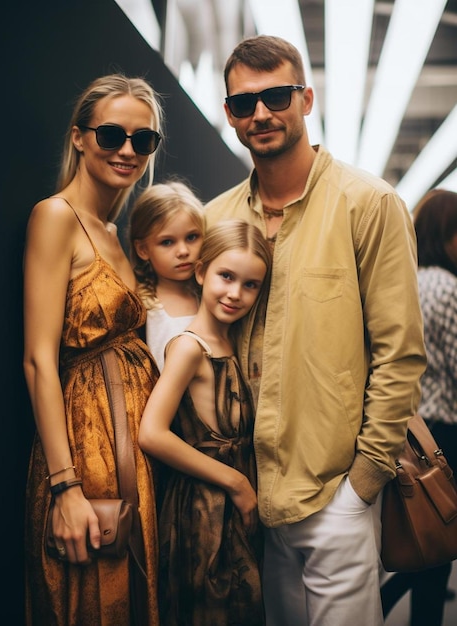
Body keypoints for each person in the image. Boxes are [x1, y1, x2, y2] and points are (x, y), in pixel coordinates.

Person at [204, 35, 427, 626]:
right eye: (244, 103)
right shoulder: (215, 219)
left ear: (305, 99)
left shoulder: (368, 203)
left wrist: (362, 486)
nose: (261, 114)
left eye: (276, 96)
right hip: (247, 494)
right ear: (229, 115)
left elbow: (400, 354)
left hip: (334, 491)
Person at [23, 73, 163, 626]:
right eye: (111, 135)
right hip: (84, 452)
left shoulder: (114, 229)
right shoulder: (56, 216)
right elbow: (39, 359)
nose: (127, 150)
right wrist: (65, 487)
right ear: (79, 138)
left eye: (142, 140)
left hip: (137, 454)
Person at [138, 219, 272, 626]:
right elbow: (152, 433)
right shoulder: (188, 347)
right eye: (226, 276)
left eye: (250, 285)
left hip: (231, 511)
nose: (235, 293)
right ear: (201, 272)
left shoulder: (231, 343)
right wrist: (236, 482)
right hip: (201, 511)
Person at [381, 188, 457, 626]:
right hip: (446, 428)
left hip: (412, 426)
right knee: (440, 539)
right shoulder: (448, 287)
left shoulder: (407, 281)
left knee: (422, 532)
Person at [129, 180, 205, 372]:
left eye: (192, 237)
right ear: (143, 249)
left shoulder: (212, 296)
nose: (183, 251)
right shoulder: (142, 307)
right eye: (167, 242)